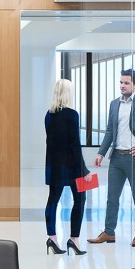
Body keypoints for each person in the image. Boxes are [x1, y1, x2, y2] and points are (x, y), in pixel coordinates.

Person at [87, 68, 135, 248]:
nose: (122, 86)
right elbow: (109, 131)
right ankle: (109, 232)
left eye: (126, 83)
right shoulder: (114, 104)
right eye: (121, 82)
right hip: (116, 158)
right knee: (112, 197)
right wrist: (101, 152)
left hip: (134, 158)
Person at [44, 79, 90, 256]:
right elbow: (75, 145)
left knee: (52, 200)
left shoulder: (48, 115)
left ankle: (52, 239)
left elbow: (52, 143)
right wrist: (84, 170)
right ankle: (74, 240)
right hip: (72, 167)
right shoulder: (72, 114)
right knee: (79, 200)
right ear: (67, 93)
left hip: (54, 165)